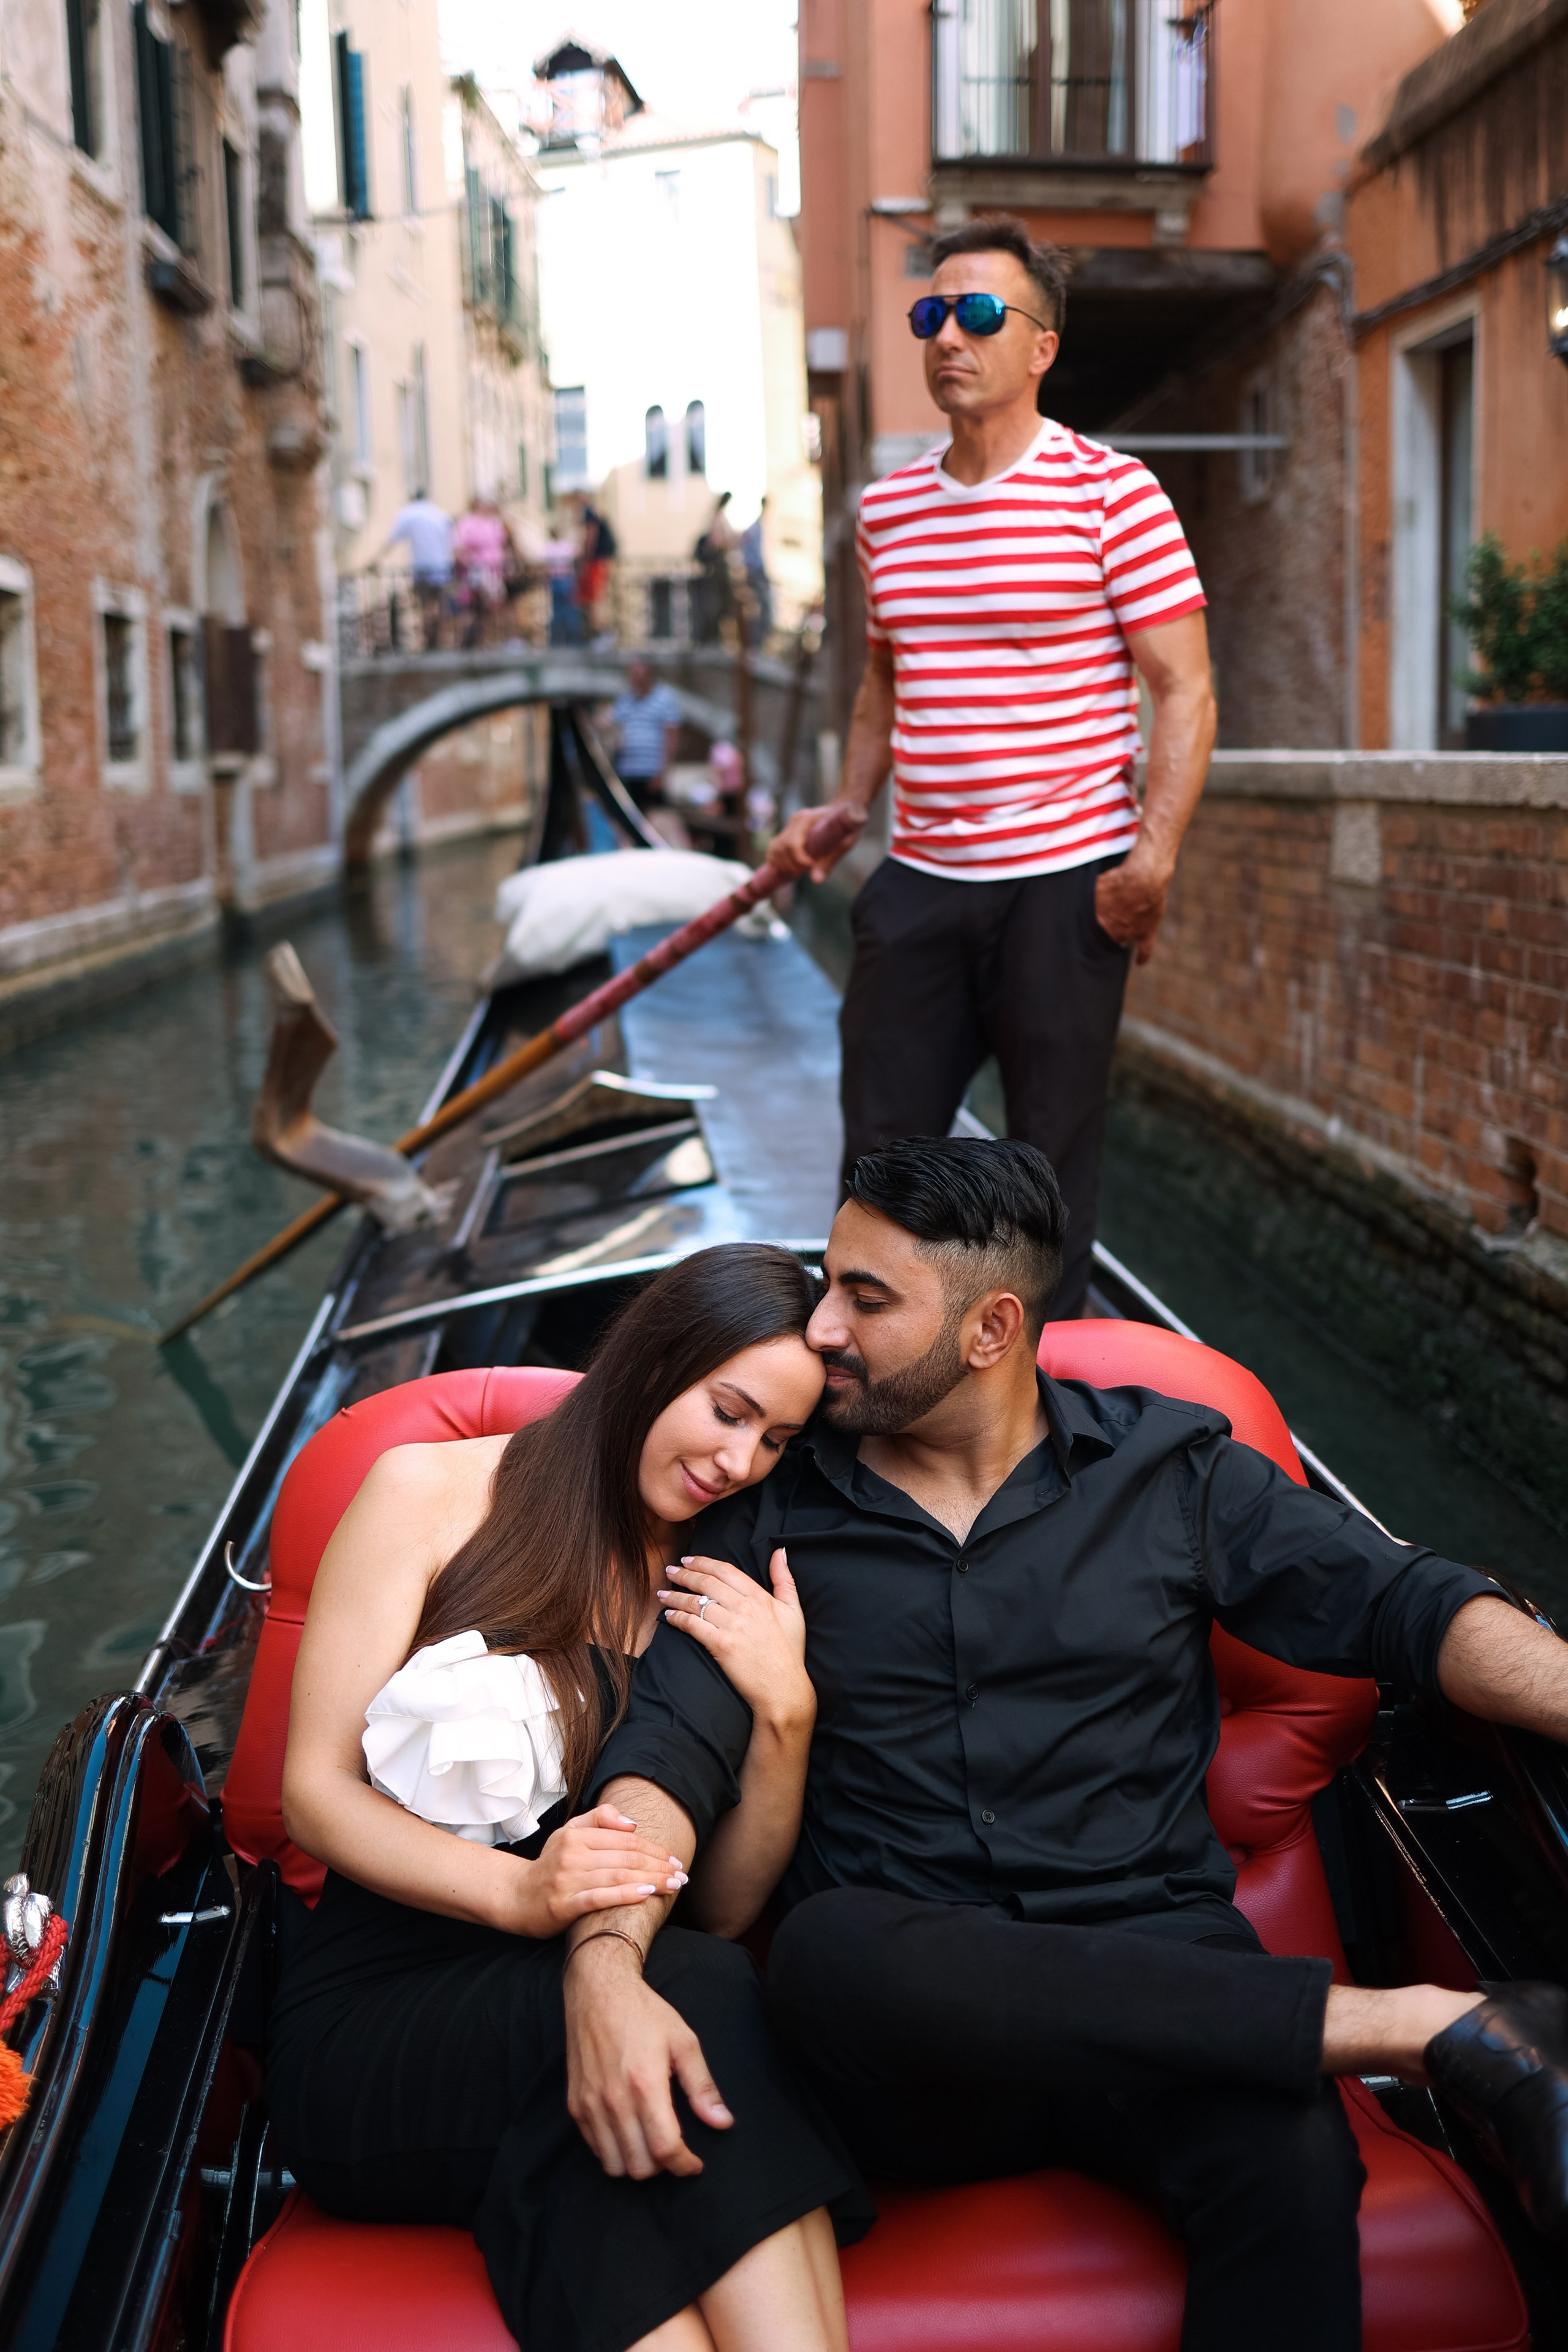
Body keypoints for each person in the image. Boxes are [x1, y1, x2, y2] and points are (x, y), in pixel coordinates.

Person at [564, 1136, 1568, 2352]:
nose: (820, 1326)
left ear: (990, 1329)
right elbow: (669, 1751)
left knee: (1291, 2158)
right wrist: (605, 1966)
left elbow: (1406, 1606)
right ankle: (1421, 2028)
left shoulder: (1172, 1470)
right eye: (827, 1280)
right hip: (909, 2049)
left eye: (864, 1297)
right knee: (829, 1950)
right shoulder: (770, 1502)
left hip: (1160, 1987)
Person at [268, 1244, 873, 2352]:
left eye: (777, 1442)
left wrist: (786, 1713)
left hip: (587, 2017)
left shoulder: (706, 1587)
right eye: (728, 1411)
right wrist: (527, 1897)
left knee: (635, 2127)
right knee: (691, 1987)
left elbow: (722, 1905)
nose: (738, 1462)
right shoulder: (430, 1493)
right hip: (374, 2016)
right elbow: (311, 1796)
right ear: (655, 1359)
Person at [769, 218, 1218, 1319]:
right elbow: (886, 678)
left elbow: (1186, 691)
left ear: (1041, 348)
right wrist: (847, 802)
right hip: (921, 877)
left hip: (1066, 876)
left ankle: (1039, 1402)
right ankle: (867, 1375)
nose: (948, 339)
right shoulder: (889, 511)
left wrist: (1150, 859)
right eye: (933, 315)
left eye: (978, 316)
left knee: (1047, 1165)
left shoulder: (1112, 494)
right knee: (880, 1156)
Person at [379, 488, 453, 649]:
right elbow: (452, 541)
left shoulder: (409, 513)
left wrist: (376, 559)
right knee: (438, 605)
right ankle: (438, 640)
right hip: (442, 567)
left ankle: (430, 641)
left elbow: (392, 539)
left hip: (423, 567)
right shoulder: (439, 514)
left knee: (426, 605)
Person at [610, 658, 683, 814]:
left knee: (655, 815)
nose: (634, 679)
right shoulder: (626, 699)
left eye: (638, 675)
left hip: (651, 771)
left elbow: (672, 736)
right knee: (630, 816)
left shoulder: (664, 698)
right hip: (627, 770)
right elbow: (612, 723)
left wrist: (663, 771)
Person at [452, 496, 510, 649]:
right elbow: (459, 548)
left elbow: (502, 545)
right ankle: (472, 641)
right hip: (476, 570)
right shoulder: (467, 523)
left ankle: (492, 640)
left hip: (494, 571)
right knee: (475, 606)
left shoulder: (494, 522)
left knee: (494, 605)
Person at [692, 494, 736, 646]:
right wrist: (732, 541)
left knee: (720, 605)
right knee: (716, 604)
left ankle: (714, 636)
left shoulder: (718, 518)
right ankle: (710, 638)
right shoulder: (717, 519)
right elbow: (714, 542)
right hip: (717, 569)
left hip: (718, 569)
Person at [738, 500, 772, 647]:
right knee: (761, 608)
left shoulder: (758, 527)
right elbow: (744, 543)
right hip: (756, 572)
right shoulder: (754, 528)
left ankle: (758, 642)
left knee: (763, 608)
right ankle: (756, 642)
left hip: (757, 571)